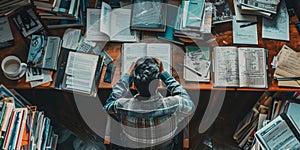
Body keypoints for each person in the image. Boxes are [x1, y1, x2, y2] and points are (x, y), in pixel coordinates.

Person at [103, 56, 195, 149]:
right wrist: (164, 74)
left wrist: (127, 76)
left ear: (134, 86)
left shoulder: (121, 106)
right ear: (158, 84)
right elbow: (190, 106)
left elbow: (108, 106)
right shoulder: (175, 104)